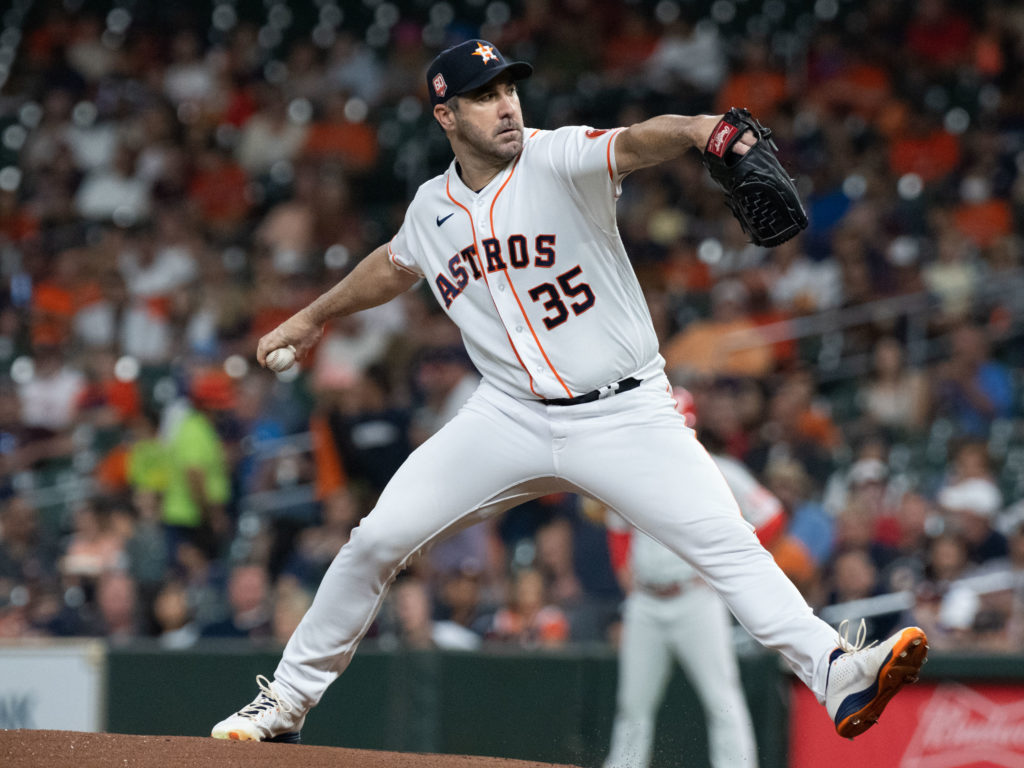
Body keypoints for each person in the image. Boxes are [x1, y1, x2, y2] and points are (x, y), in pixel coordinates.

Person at [211, 39, 927, 745]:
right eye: (483, 96)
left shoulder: (556, 156)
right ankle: (286, 706)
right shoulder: (432, 208)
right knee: (374, 541)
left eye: (509, 89)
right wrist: (311, 318)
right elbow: (396, 263)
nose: (505, 105)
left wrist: (697, 129)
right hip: (507, 415)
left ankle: (835, 670)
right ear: (445, 117)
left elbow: (638, 143)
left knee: (726, 547)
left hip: (625, 411)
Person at [602, 387, 782, 768]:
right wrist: (623, 567)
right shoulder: (633, 472)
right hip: (646, 602)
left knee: (722, 699)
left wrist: (725, 561)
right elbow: (617, 524)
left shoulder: (718, 470)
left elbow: (771, 514)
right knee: (632, 704)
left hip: (695, 600)